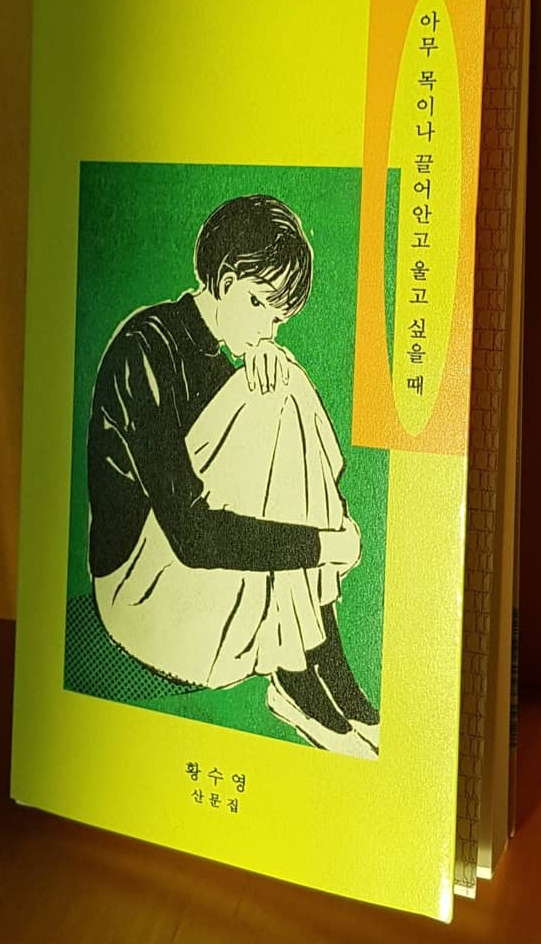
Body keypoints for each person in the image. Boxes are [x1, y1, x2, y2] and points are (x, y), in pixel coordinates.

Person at [86, 194, 381, 758]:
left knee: (282, 380)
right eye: (260, 305)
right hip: (142, 602)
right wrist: (322, 545)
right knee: (280, 388)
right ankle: (300, 673)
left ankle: (321, 662)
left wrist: (263, 366)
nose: (269, 328)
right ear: (224, 282)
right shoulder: (147, 346)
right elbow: (193, 536)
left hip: (189, 594)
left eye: (279, 318)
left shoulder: (226, 361)